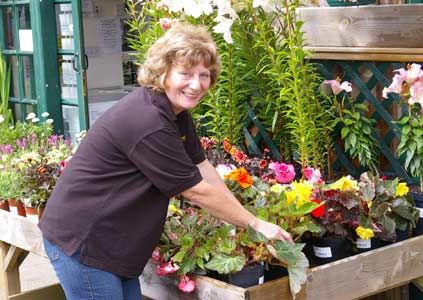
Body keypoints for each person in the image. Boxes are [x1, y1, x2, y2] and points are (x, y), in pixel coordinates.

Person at [39, 23, 292, 300]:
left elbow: (201, 167)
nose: (196, 85)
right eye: (185, 73)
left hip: (113, 244)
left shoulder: (175, 113)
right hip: (85, 242)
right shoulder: (149, 121)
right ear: (163, 73)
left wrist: (240, 214)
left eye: (204, 75)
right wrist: (254, 224)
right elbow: (195, 189)